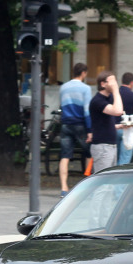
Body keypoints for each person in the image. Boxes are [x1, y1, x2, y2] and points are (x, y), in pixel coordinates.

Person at [57, 63, 92, 196]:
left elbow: (61, 106)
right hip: (80, 124)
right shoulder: (85, 89)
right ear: (83, 73)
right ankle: (88, 184)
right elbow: (87, 110)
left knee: (65, 156)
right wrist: (90, 129)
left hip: (66, 124)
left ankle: (64, 188)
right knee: (89, 153)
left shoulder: (63, 88)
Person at [88, 71, 124, 175]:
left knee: (110, 181)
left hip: (110, 146)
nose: (115, 84)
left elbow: (103, 123)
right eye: (112, 81)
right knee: (103, 182)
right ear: (103, 84)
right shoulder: (97, 101)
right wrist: (116, 91)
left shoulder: (109, 99)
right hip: (102, 146)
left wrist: (118, 126)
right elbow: (117, 111)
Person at [117, 72, 133, 166]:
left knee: (114, 157)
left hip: (115, 128)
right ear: (132, 83)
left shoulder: (115, 95)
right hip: (128, 130)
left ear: (122, 81)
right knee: (124, 159)